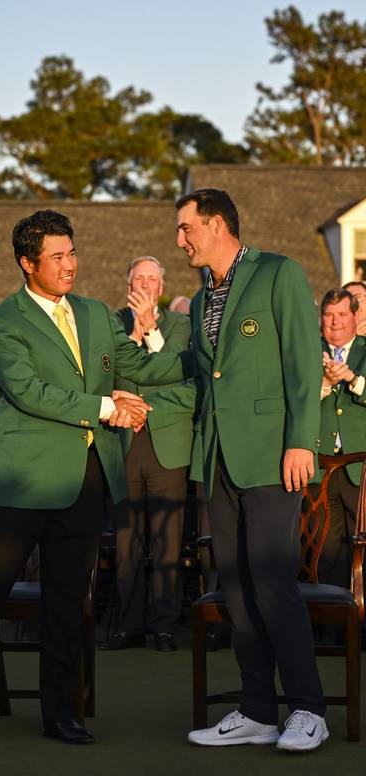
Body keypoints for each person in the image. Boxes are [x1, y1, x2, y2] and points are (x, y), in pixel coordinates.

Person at [0, 209, 184, 744]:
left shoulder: (96, 313)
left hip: (84, 479)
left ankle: (60, 713)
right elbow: (29, 393)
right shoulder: (2, 322)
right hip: (21, 485)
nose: (70, 264)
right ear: (28, 264)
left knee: (68, 602)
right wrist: (106, 406)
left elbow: (139, 366)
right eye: (57, 256)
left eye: (72, 253)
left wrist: (204, 360)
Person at [160, 189, 327, 751]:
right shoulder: (202, 293)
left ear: (216, 225)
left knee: (273, 582)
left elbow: (303, 363)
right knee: (235, 586)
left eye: (185, 228)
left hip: (273, 456)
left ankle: (309, 709)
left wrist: (300, 441)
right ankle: (257, 710)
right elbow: (207, 377)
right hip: (218, 458)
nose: (179, 240)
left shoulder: (280, 273)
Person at [103, 256, 194, 651]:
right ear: (128, 285)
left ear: (162, 287)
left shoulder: (180, 325)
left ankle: (165, 625)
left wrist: (151, 329)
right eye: (138, 278)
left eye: (151, 279)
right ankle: (128, 624)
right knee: (127, 541)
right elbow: (109, 375)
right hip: (124, 440)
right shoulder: (111, 323)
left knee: (166, 540)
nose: (144, 284)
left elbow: (178, 375)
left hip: (166, 442)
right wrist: (134, 333)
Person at [315, 288, 366, 589]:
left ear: (355, 317)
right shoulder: (307, 350)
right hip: (320, 468)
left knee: (362, 545)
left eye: (342, 314)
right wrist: (323, 384)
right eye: (329, 315)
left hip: (360, 467)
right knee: (326, 550)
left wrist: (352, 379)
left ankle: (360, 613)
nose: (335, 322)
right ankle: (332, 613)